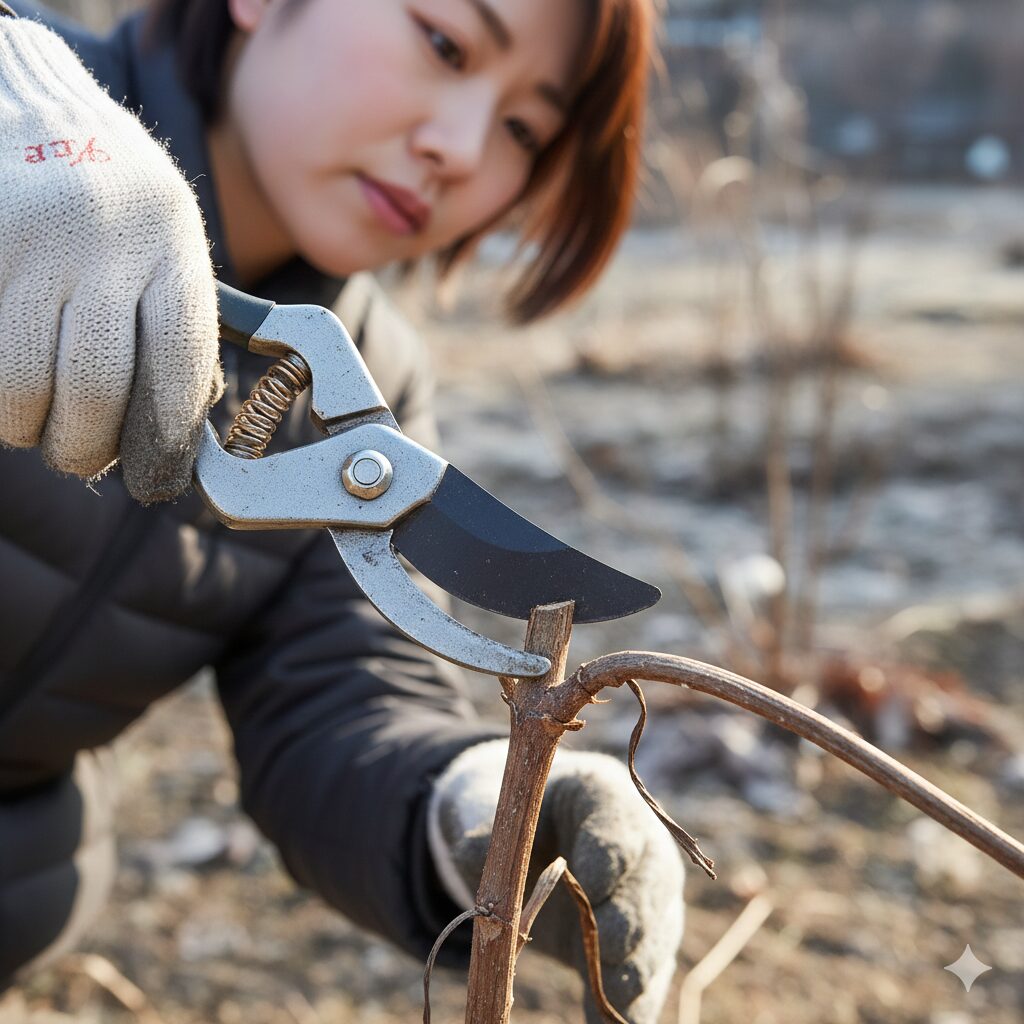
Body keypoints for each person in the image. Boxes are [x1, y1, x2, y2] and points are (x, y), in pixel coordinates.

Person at [0, 1, 684, 1020]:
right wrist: (28, 104)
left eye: (522, 130)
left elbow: (333, 696)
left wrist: (486, 811)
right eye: (446, 42)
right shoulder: (31, 131)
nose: (456, 148)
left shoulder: (368, 387)